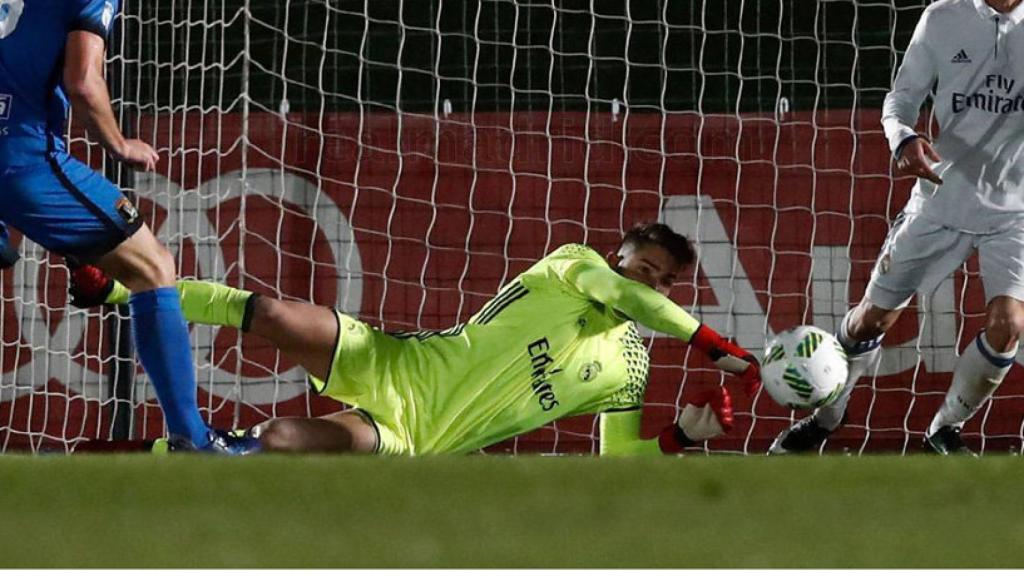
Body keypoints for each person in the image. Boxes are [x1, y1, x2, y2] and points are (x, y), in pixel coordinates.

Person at [70, 223, 761, 455]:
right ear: (618, 259)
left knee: (277, 440)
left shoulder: (630, 369)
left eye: (662, 279)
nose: (647, 281)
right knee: (276, 315)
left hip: (414, 435)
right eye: (640, 266)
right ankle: (122, 292)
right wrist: (709, 341)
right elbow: (624, 296)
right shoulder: (576, 266)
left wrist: (681, 437)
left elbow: (620, 463)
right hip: (399, 360)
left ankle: (150, 455)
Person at [0, 0, 256, 453]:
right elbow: (83, 82)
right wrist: (118, 144)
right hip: (22, 159)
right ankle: (193, 441)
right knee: (152, 268)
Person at [770, 0, 1024, 456]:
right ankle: (827, 416)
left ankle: (944, 429)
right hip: (940, 198)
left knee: (1009, 324)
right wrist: (903, 138)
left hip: (1016, 212)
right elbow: (901, 98)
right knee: (873, 318)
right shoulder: (943, 17)